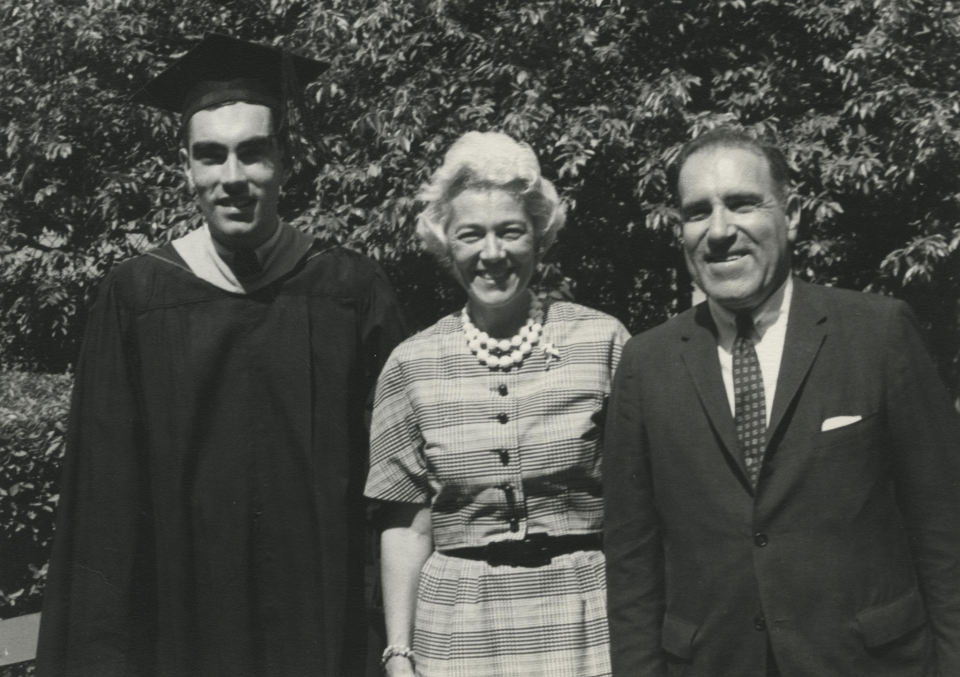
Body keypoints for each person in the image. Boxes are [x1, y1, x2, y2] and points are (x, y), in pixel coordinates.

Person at [36, 34, 406, 677]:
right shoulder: (138, 295)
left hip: (324, 621)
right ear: (186, 168)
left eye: (252, 154)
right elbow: (104, 507)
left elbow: (403, 489)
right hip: (183, 627)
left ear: (286, 162)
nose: (230, 178)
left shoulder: (350, 289)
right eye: (210, 157)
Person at [603, 126, 960, 676]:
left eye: (742, 204)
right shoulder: (645, 364)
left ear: (790, 216)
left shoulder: (879, 333)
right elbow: (632, 566)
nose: (719, 231)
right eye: (698, 213)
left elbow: (945, 527)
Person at [365, 131, 629, 677]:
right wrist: (399, 650)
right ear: (446, 243)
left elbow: (643, 503)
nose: (492, 253)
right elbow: (407, 524)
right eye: (471, 235)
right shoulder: (411, 363)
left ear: (539, 236)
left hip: (583, 618)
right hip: (459, 624)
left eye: (511, 231)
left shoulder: (602, 342)